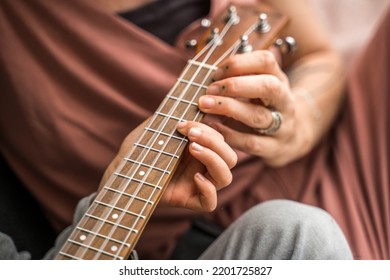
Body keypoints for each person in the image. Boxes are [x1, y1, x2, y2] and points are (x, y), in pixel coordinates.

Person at [0, 0, 388, 259]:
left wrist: (298, 120)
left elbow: (318, 56)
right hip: (160, 235)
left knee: (302, 229)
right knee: (300, 231)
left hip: (327, 167)